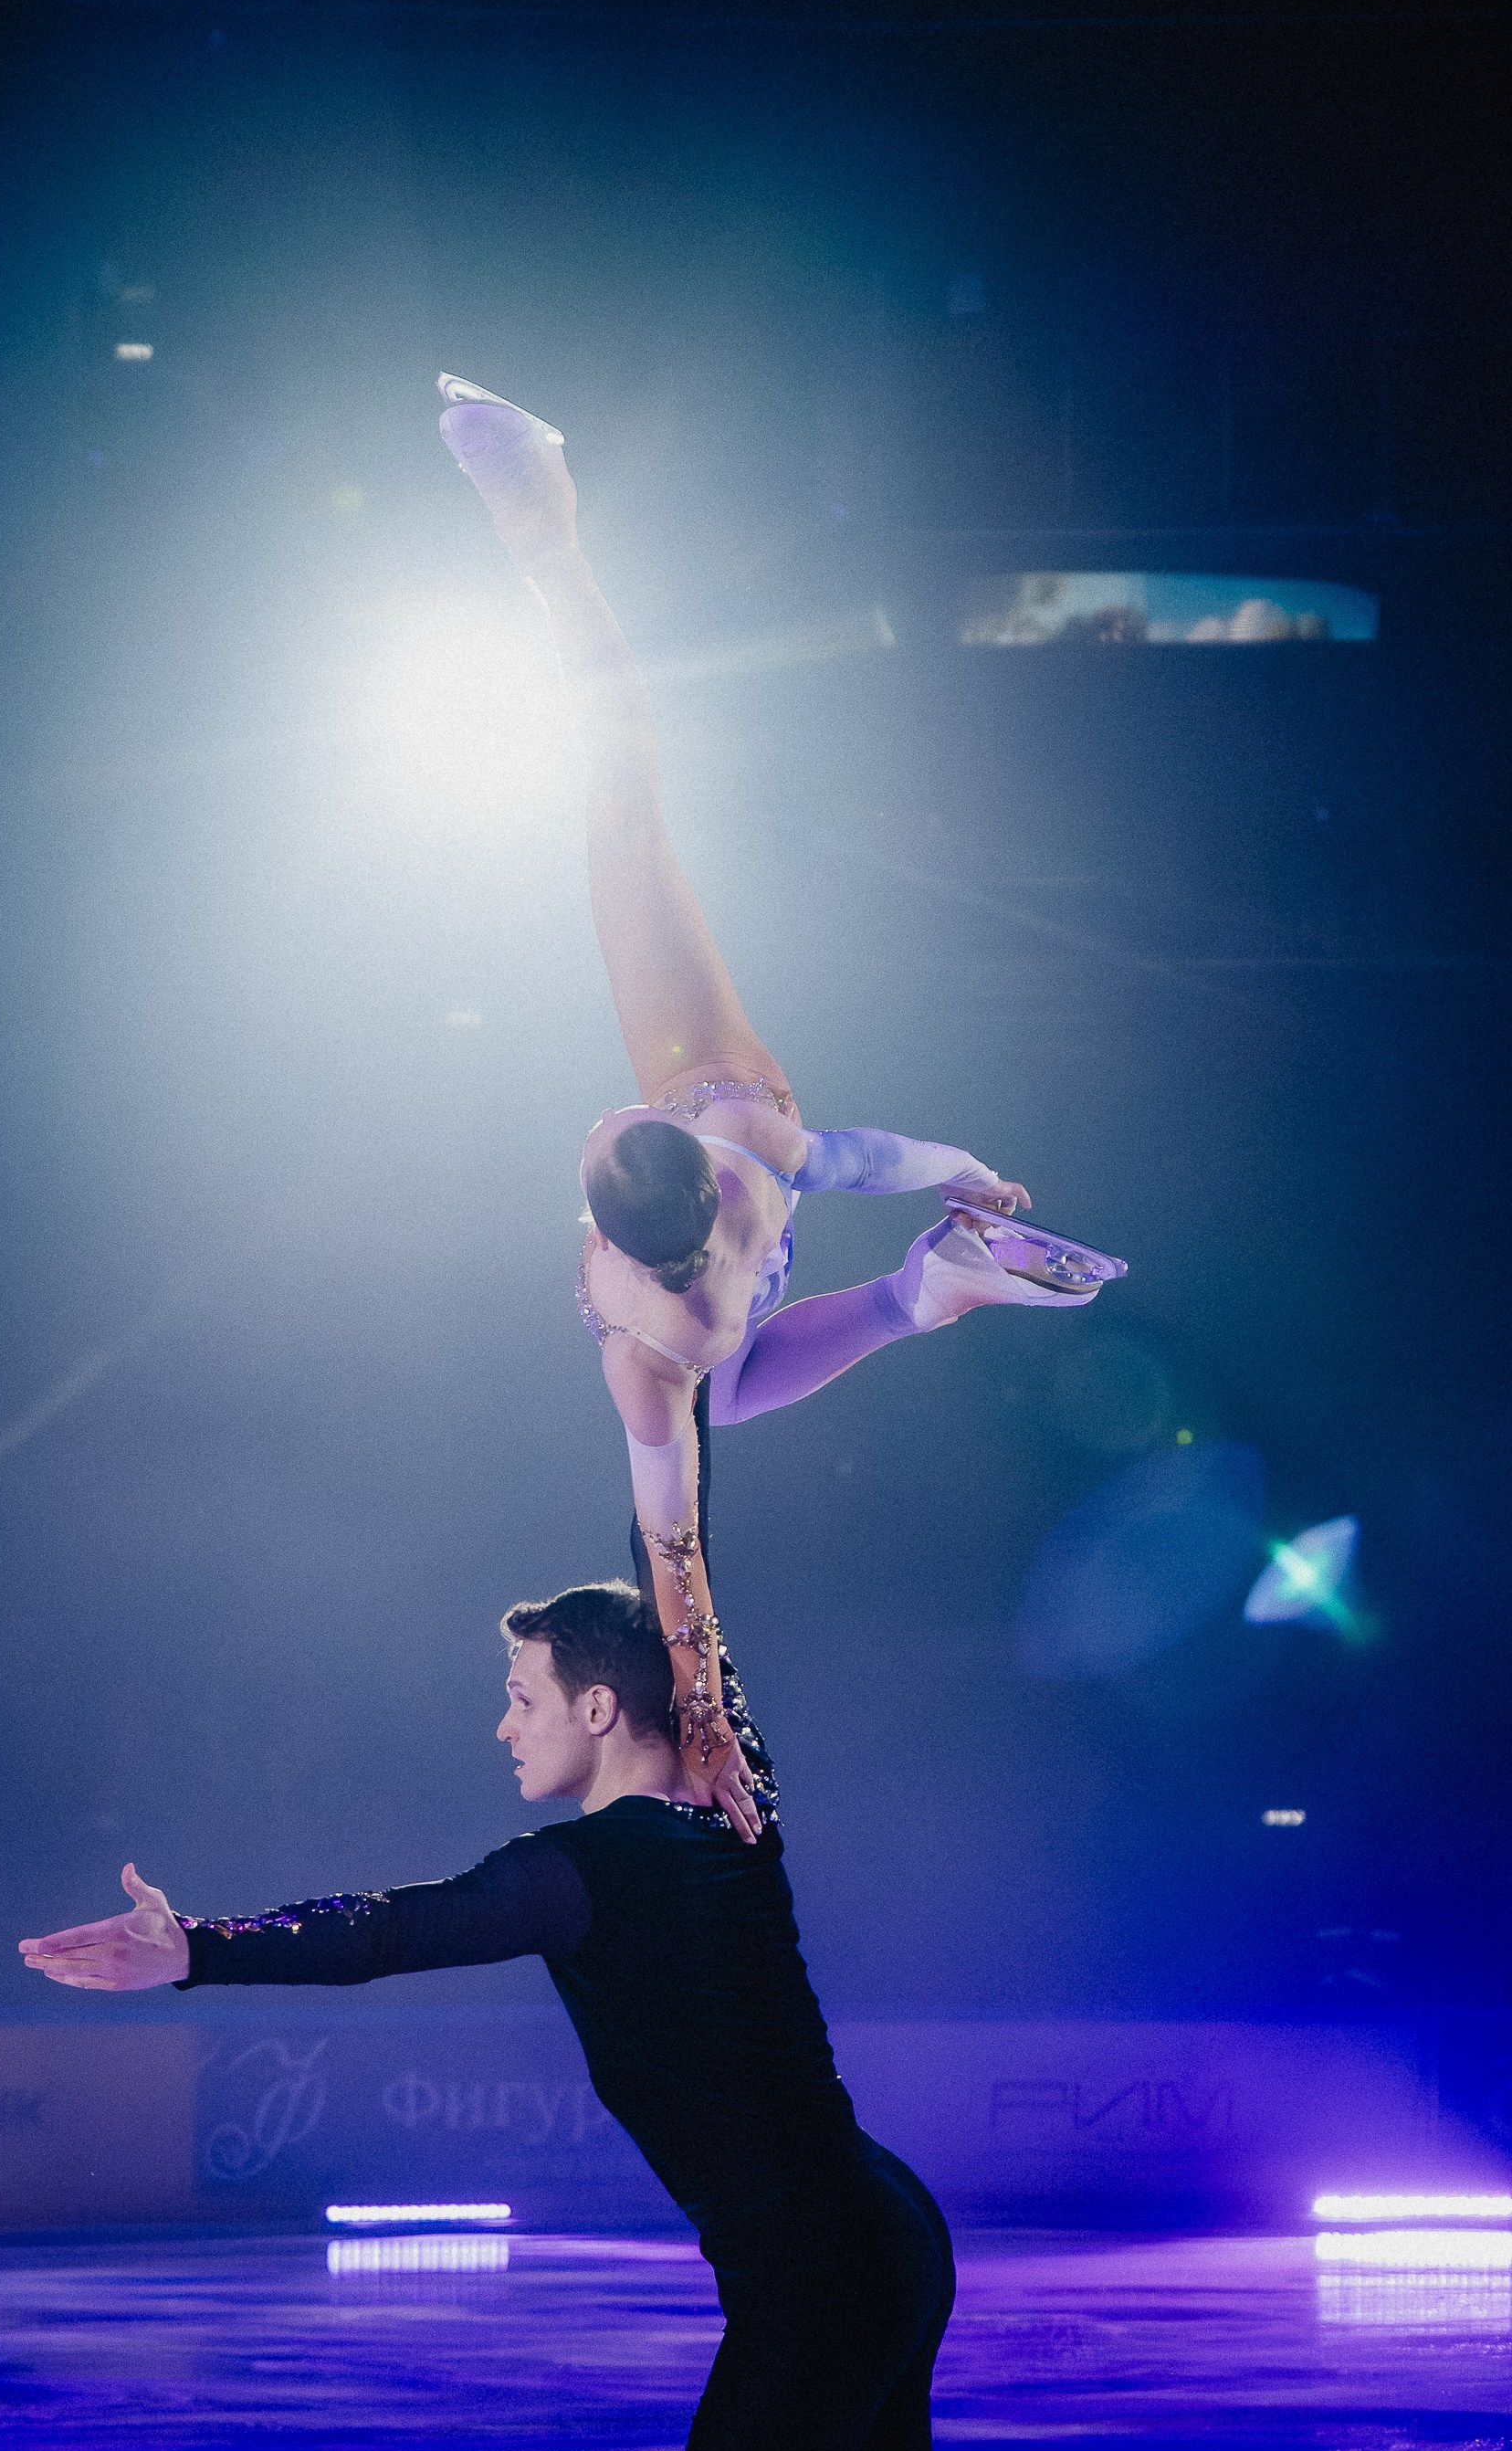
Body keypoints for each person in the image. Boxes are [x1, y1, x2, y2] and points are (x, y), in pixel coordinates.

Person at [436, 378, 1124, 1827]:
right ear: (646, 1168)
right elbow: (669, 1561)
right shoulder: (723, 1145)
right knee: (621, 793)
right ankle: (545, 524)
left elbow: (866, 1162)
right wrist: (705, 1735)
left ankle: (927, 1294)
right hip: (741, 1223)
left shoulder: (680, 1308)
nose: (589, 1129)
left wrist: (966, 1169)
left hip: (752, 1314)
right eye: (605, 1139)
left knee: (736, 1398)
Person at [20, 1573, 956, 2451]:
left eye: (521, 1698)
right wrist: (665, 1428)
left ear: (595, 1709)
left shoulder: (577, 1869)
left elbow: (385, 1931)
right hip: (889, 2230)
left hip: (820, 2272)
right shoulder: (738, 1798)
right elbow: (679, 1580)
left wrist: (196, 1947)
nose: (502, 1726)